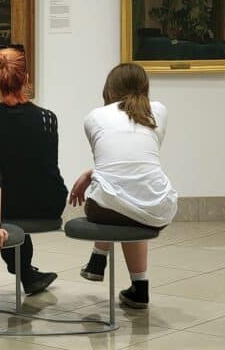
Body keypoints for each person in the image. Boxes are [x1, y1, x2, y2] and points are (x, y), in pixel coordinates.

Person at [70, 63, 178, 309]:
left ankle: (99, 258)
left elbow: (114, 167)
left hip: (107, 209)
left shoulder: (94, 117)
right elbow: (131, 166)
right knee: (133, 202)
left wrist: (90, 173)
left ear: (109, 89)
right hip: (159, 207)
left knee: (119, 200)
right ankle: (140, 288)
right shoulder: (159, 111)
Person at [0, 45, 68, 294]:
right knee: (15, 196)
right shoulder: (48, 117)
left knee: (2, 207)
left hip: (7, 205)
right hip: (49, 203)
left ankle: (25, 272)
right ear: (25, 77)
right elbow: (46, 168)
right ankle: (28, 274)